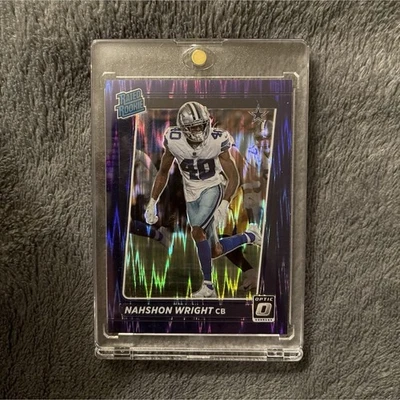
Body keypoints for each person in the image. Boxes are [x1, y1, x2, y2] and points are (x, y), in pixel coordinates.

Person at [145, 101, 261, 298]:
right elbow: (163, 172)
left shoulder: (218, 139)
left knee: (197, 231)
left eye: (201, 125)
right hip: (191, 193)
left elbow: (234, 176)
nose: (199, 130)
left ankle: (208, 287)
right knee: (214, 250)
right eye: (193, 127)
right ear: (183, 128)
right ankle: (250, 236)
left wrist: (225, 202)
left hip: (213, 188)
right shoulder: (174, 140)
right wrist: (152, 202)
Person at [129, 149, 172, 249]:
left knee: (129, 225)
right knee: (128, 225)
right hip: (137, 192)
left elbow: (154, 174)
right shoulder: (135, 155)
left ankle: (159, 235)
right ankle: (158, 235)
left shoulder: (138, 155)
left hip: (144, 193)